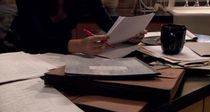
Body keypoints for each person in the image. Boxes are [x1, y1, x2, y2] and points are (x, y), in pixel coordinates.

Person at [4, 0, 144, 56]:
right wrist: (79, 45)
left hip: (58, 55)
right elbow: (35, 40)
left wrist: (128, 35)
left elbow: (106, 23)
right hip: (19, 53)